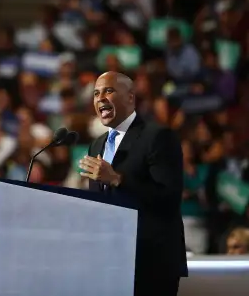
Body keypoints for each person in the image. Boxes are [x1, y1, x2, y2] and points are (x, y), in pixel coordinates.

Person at [78, 71, 188, 296]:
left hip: (151, 262)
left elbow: (169, 197)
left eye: (109, 90)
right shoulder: (97, 145)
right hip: (110, 261)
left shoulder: (157, 136)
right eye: (96, 93)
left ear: (130, 97)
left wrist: (117, 179)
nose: (100, 98)